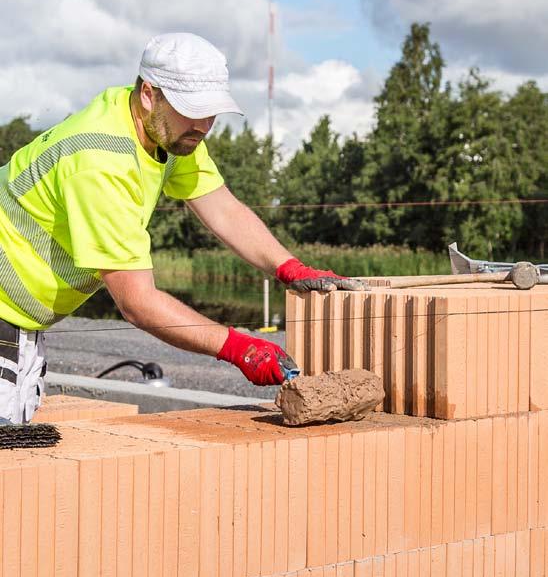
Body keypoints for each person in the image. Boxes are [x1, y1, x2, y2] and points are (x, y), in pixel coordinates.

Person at [0, 32, 365, 424]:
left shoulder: (169, 131)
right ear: (148, 94)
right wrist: (236, 346)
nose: (204, 125)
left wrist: (288, 267)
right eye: (193, 110)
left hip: (19, 321)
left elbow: (222, 208)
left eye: (211, 112)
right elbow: (138, 302)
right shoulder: (100, 160)